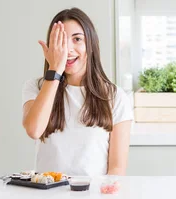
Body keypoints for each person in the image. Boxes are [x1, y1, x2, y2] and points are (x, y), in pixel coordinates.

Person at [21, 7, 133, 176]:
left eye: (77, 39)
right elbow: (34, 130)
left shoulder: (115, 97)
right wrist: (55, 71)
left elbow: (117, 168)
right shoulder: (36, 87)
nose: (68, 49)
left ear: (91, 44)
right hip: (47, 197)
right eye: (61, 41)